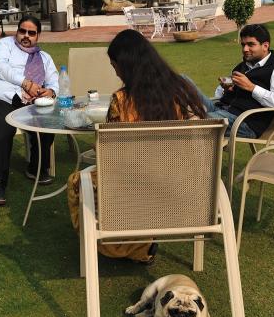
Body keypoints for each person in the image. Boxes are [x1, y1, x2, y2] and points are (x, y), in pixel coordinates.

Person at [66, 29, 207, 263]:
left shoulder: (122, 101)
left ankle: (133, 247)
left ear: (127, 66)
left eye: (115, 66)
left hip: (135, 192)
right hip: (185, 190)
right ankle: (140, 245)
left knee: (79, 182)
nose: (116, 72)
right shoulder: (182, 90)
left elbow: (109, 157)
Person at [0, 15, 59, 207]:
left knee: (47, 121)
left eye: (31, 33)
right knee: (3, 129)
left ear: (38, 36)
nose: (26, 36)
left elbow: (54, 81)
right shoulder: (5, 45)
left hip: (29, 101)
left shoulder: (44, 57)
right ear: (17, 31)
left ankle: (36, 168)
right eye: (22, 31)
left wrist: (50, 91)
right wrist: (26, 83)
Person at [194, 23, 274, 138]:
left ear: (265, 46)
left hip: (244, 122)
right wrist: (226, 89)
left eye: (251, 45)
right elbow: (219, 95)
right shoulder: (243, 65)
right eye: (243, 44)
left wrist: (252, 88)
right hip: (221, 109)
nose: (245, 49)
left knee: (193, 120)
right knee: (180, 81)